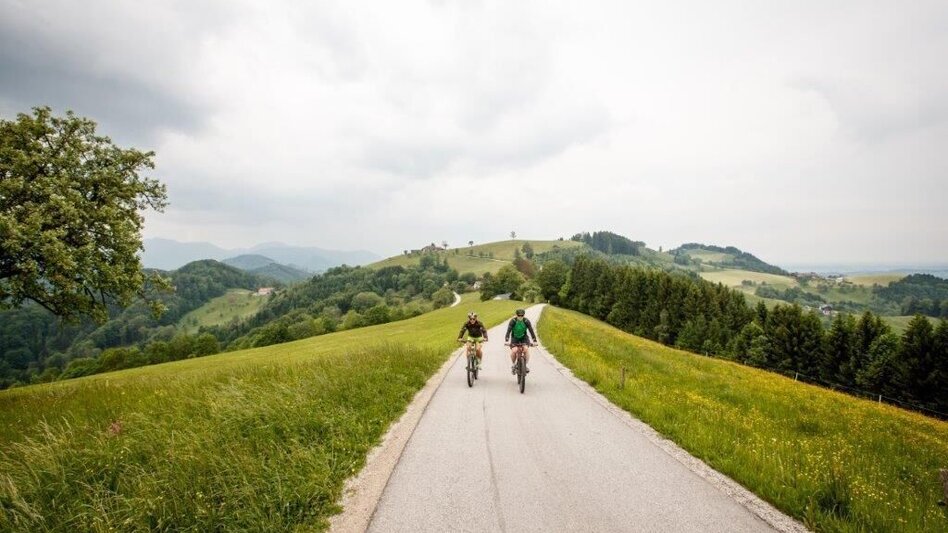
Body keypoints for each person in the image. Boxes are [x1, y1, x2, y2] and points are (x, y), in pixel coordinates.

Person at [505, 308, 537, 374]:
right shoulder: (513, 321)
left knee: (526, 349)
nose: (520, 317)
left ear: (524, 315)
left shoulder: (526, 321)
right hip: (515, 337)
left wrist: (534, 340)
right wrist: (507, 339)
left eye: (522, 315)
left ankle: (525, 365)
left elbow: (531, 330)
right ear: (516, 315)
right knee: (514, 350)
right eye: (519, 315)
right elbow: (509, 330)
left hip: (524, 337)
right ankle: (514, 365)